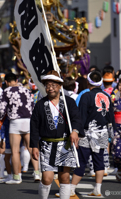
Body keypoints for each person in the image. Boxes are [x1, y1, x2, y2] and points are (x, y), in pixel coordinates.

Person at [30, 70, 84, 199]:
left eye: (54, 85)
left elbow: (77, 118)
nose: (50, 88)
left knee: (64, 177)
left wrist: (75, 131)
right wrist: (34, 146)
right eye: (48, 85)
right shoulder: (40, 104)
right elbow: (34, 126)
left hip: (65, 144)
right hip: (46, 145)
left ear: (60, 86)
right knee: (47, 178)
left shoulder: (69, 102)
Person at [71, 71, 116, 197]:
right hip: (102, 133)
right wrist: (111, 134)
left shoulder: (86, 96)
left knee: (81, 161)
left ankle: (71, 189)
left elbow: (82, 116)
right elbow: (110, 117)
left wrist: (77, 132)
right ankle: (98, 189)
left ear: (88, 82)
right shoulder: (106, 96)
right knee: (99, 161)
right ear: (101, 82)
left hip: (87, 133)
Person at [0, 72, 40, 184]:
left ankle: (16, 177)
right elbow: (32, 105)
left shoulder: (6, 91)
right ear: (16, 80)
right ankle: (37, 173)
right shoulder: (26, 90)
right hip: (28, 120)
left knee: (15, 151)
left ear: (6, 82)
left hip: (15, 121)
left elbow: (1, 109)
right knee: (32, 148)